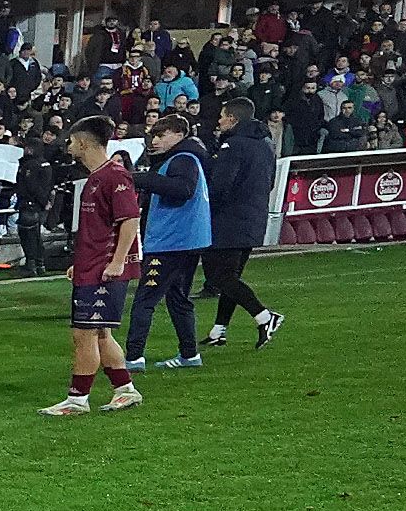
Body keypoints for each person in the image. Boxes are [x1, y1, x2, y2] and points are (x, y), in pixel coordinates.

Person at [39, 118, 146, 417]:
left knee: (83, 334)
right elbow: (97, 228)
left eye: (71, 141)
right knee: (100, 333)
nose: (69, 146)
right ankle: (125, 390)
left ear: (83, 142)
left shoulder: (115, 175)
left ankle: (77, 399)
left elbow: (130, 220)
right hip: (93, 266)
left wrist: (116, 262)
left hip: (105, 270)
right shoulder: (96, 177)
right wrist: (80, 262)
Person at [122, 114, 212, 371]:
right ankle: (189, 354)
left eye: (161, 135)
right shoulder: (186, 158)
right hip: (186, 240)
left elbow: (183, 190)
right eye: (154, 136)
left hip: (171, 242)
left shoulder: (182, 159)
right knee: (178, 298)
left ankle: (133, 358)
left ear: (179, 134)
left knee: (145, 300)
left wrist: (138, 179)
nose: (156, 140)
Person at [202, 97, 286, 350]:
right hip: (253, 218)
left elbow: (221, 186)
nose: (219, 120)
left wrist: (208, 210)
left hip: (229, 220)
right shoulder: (264, 146)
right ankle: (219, 330)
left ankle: (265, 317)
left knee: (221, 277)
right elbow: (270, 182)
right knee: (232, 277)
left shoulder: (233, 145)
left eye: (222, 115)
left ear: (233, 119)